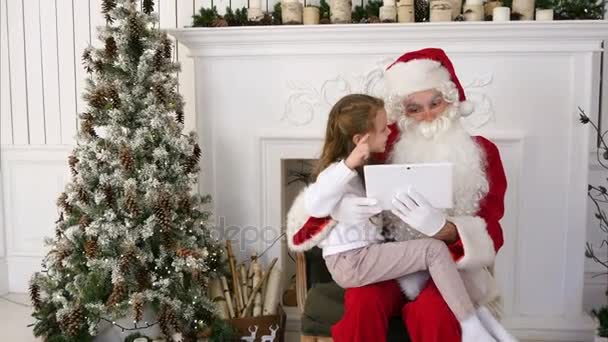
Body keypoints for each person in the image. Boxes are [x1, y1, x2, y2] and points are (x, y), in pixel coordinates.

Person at [287, 48, 515, 342]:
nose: (428, 115)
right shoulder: (383, 146)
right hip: (391, 263)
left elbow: (492, 232)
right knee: (362, 301)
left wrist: (444, 229)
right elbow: (319, 198)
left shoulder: (482, 153)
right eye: (414, 108)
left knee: (433, 313)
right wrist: (336, 213)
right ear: (401, 113)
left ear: (452, 99)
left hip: (451, 269)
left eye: (436, 102)